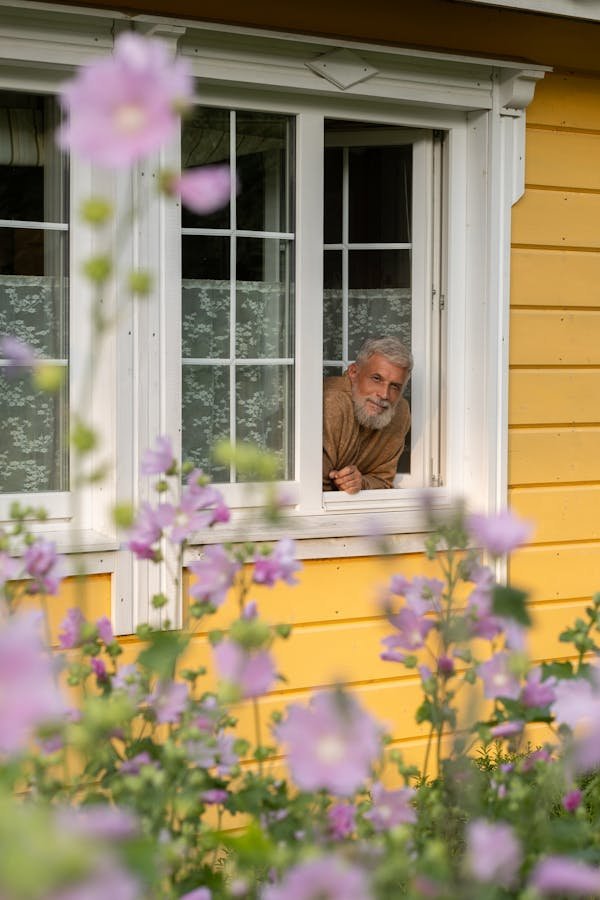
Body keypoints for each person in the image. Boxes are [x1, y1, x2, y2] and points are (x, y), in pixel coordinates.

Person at [323, 336, 412, 494]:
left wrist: (361, 483)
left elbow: (383, 480)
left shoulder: (399, 413)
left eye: (395, 386)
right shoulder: (332, 403)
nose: (384, 394)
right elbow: (310, 486)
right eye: (377, 379)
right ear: (353, 372)